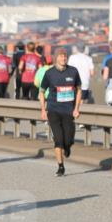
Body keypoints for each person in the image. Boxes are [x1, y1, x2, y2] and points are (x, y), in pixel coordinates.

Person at [39, 48, 82, 176]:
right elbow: (41, 91)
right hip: (53, 110)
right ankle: (61, 166)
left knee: (68, 139)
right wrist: (43, 109)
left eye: (65, 56)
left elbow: (79, 90)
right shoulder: (49, 73)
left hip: (68, 111)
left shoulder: (73, 71)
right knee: (58, 139)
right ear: (56, 58)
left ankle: (67, 147)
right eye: (61, 56)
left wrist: (77, 108)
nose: (64, 58)